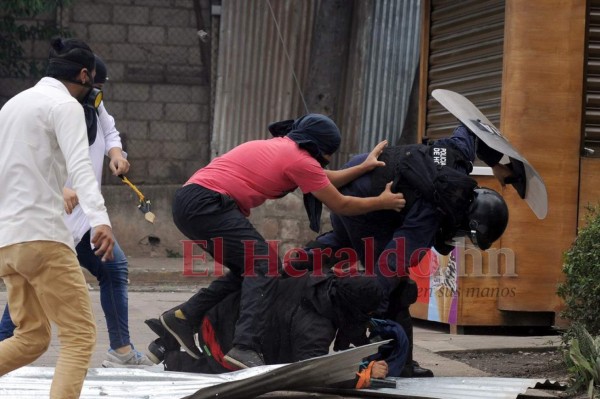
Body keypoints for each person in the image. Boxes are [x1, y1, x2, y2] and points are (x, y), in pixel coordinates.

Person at [160, 114, 406, 369]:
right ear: (321, 148)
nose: (329, 158)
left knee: (248, 271)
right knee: (265, 265)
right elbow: (340, 203)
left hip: (191, 202)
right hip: (207, 203)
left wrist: (363, 167)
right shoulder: (300, 160)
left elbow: (324, 179)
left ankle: (183, 316)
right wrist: (382, 202)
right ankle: (245, 347)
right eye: (330, 152)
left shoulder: (286, 149)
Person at [290, 124, 512, 377]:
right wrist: (370, 310)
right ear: (465, 220)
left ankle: (286, 270)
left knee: (343, 241)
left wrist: (498, 163)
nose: (457, 240)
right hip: (365, 201)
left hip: (360, 179)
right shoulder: (430, 216)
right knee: (393, 288)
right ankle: (387, 360)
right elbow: (389, 270)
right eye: (464, 235)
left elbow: (470, 129)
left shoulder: (457, 162)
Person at [0, 55, 153, 367]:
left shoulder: (90, 105)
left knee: (113, 268)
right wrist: (62, 190)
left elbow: (110, 134)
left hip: (80, 221)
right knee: (51, 328)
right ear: (82, 77)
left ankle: (121, 349)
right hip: (47, 223)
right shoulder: (52, 107)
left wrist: (116, 155)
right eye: (93, 84)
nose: (96, 92)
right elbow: (29, 163)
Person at [0, 37, 114, 399]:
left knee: (31, 338)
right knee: (80, 336)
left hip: (8, 243)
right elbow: (81, 166)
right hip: (44, 237)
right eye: (92, 83)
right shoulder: (64, 106)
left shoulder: (12, 106)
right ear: (84, 74)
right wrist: (101, 219)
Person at [146, 274, 407, 389]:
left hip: (223, 312)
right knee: (239, 376)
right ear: (354, 309)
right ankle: (171, 360)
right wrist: (364, 376)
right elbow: (312, 373)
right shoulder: (316, 327)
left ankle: (166, 342)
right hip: (219, 328)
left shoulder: (323, 283)